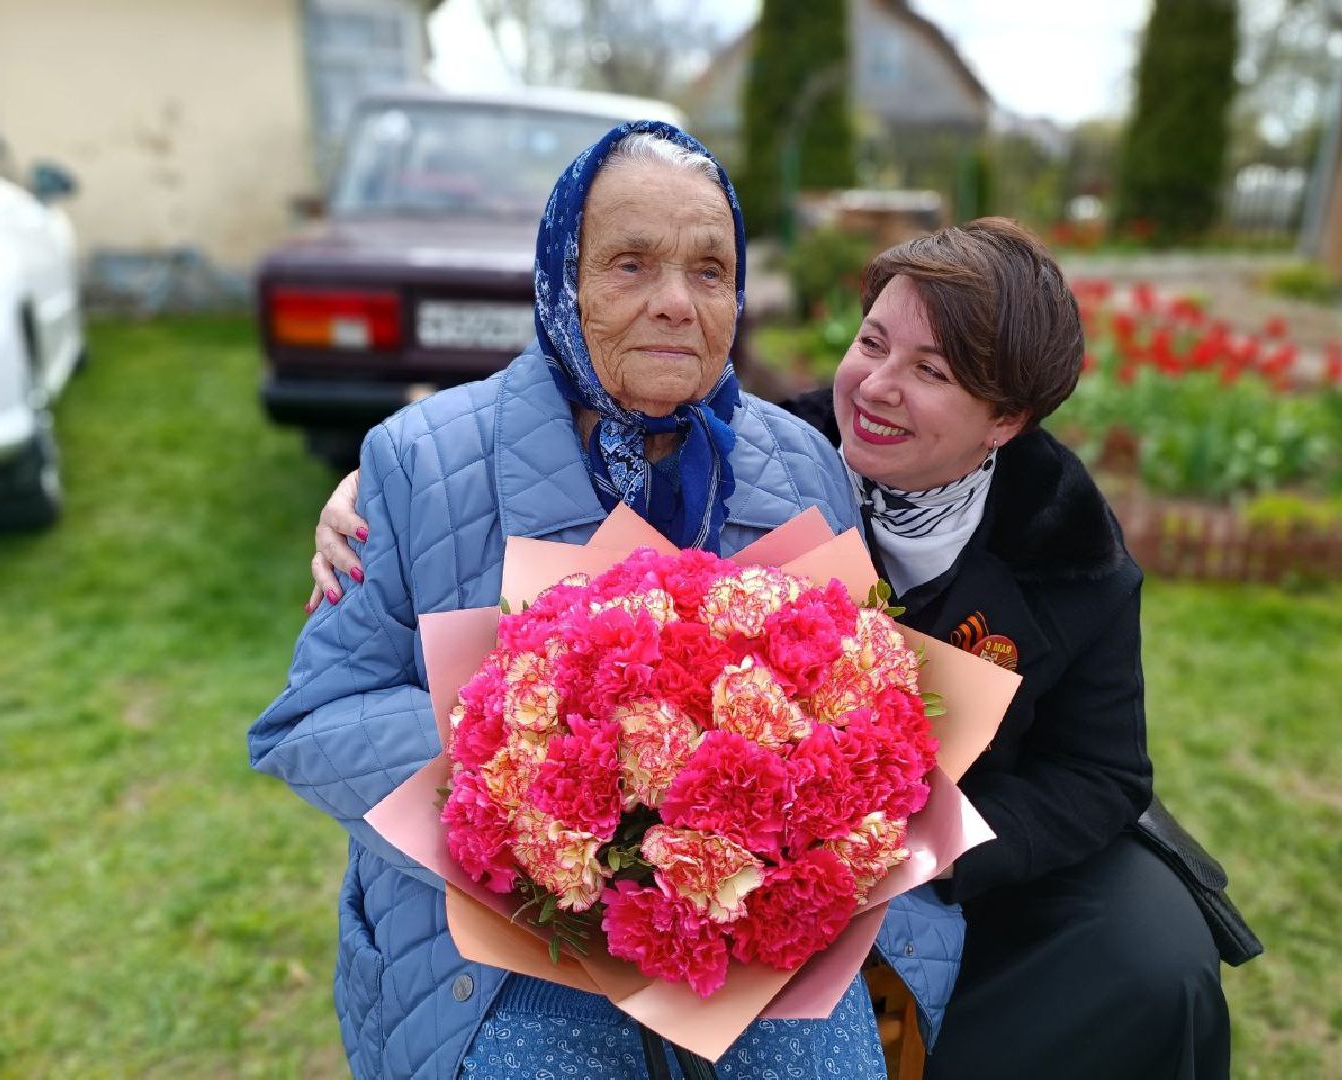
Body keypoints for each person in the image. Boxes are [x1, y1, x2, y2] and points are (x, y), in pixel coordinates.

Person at [310, 218, 1249, 1078]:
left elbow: (1103, 771)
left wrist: (929, 848)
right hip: (737, 871)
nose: (876, 388)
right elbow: (573, 465)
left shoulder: (1070, 555)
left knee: (1154, 964)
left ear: (1007, 421)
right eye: (871, 342)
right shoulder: (761, 450)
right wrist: (373, 489)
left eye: (933, 373)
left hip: (959, 859)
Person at [252, 121, 945, 1080]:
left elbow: (856, 703)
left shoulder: (801, 464)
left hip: (752, 930)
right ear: (562, 280)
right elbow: (314, 717)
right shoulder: (421, 460)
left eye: (710, 271)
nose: (676, 303)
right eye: (630, 264)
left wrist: (772, 824)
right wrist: (529, 794)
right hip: (507, 934)